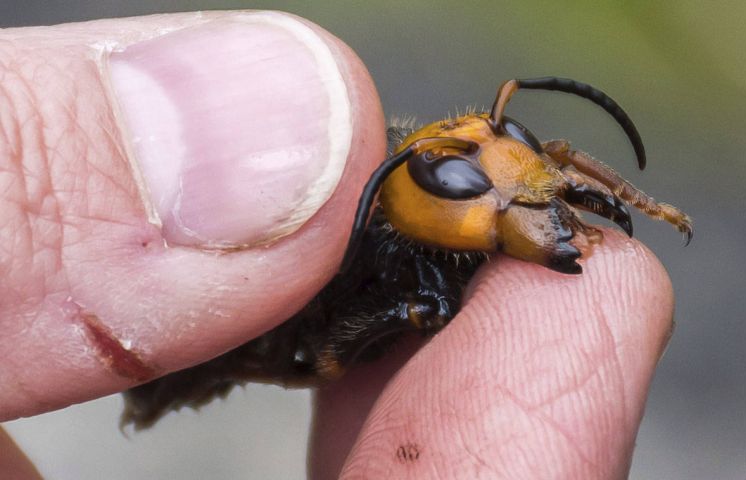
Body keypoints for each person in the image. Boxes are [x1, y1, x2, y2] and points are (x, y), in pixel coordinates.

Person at [0, 11, 674, 479]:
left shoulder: (473, 214)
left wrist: (636, 199)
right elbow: (326, 352)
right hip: (240, 347)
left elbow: (551, 156)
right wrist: (294, 366)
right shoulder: (382, 248)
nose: (520, 176)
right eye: (469, 178)